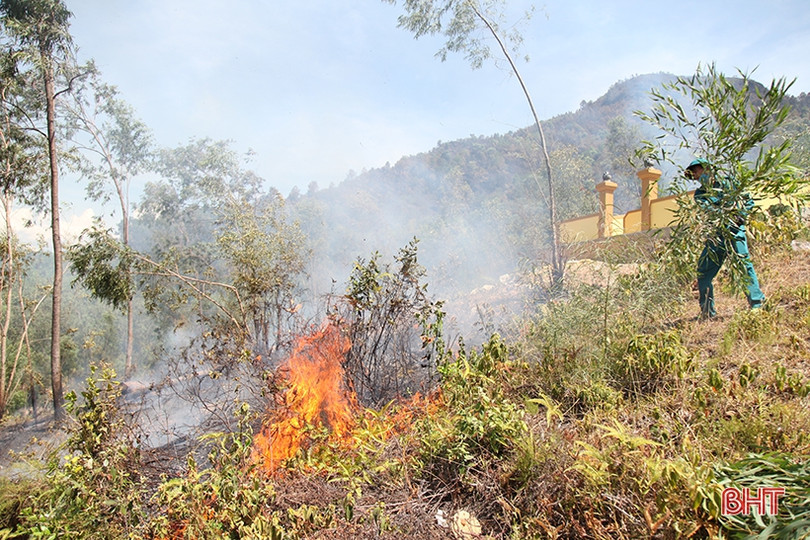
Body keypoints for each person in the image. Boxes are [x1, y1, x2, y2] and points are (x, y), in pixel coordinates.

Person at [686, 158, 764, 319]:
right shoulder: (700, 194)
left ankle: (756, 302)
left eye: (696, 171)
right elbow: (712, 213)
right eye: (693, 175)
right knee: (703, 272)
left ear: (707, 169)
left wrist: (740, 216)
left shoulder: (729, 183)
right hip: (716, 237)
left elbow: (747, 200)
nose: (695, 176)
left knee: (743, 265)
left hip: (734, 232)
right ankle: (707, 312)